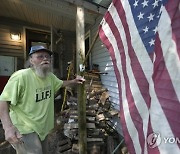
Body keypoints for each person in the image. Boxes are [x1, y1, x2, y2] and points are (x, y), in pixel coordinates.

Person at [0, 45, 85, 154]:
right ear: (31, 60)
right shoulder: (21, 77)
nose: (45, 59)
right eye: (40, 56)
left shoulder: (50, 76)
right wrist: (8, 128)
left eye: (47, 56)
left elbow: (61, 83)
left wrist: (74, 81)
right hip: (25, 129)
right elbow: (3, 100)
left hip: (42, 128)